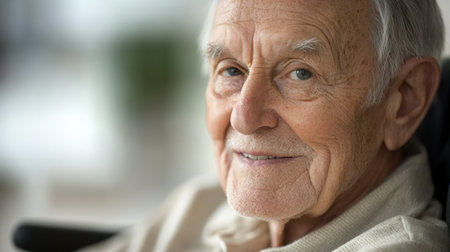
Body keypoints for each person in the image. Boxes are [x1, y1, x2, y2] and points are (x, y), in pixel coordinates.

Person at [83, 0, 449, 250]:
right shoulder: (200, 204)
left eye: (300, 73)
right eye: (230, 70)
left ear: (405, 99)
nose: (243, 116)